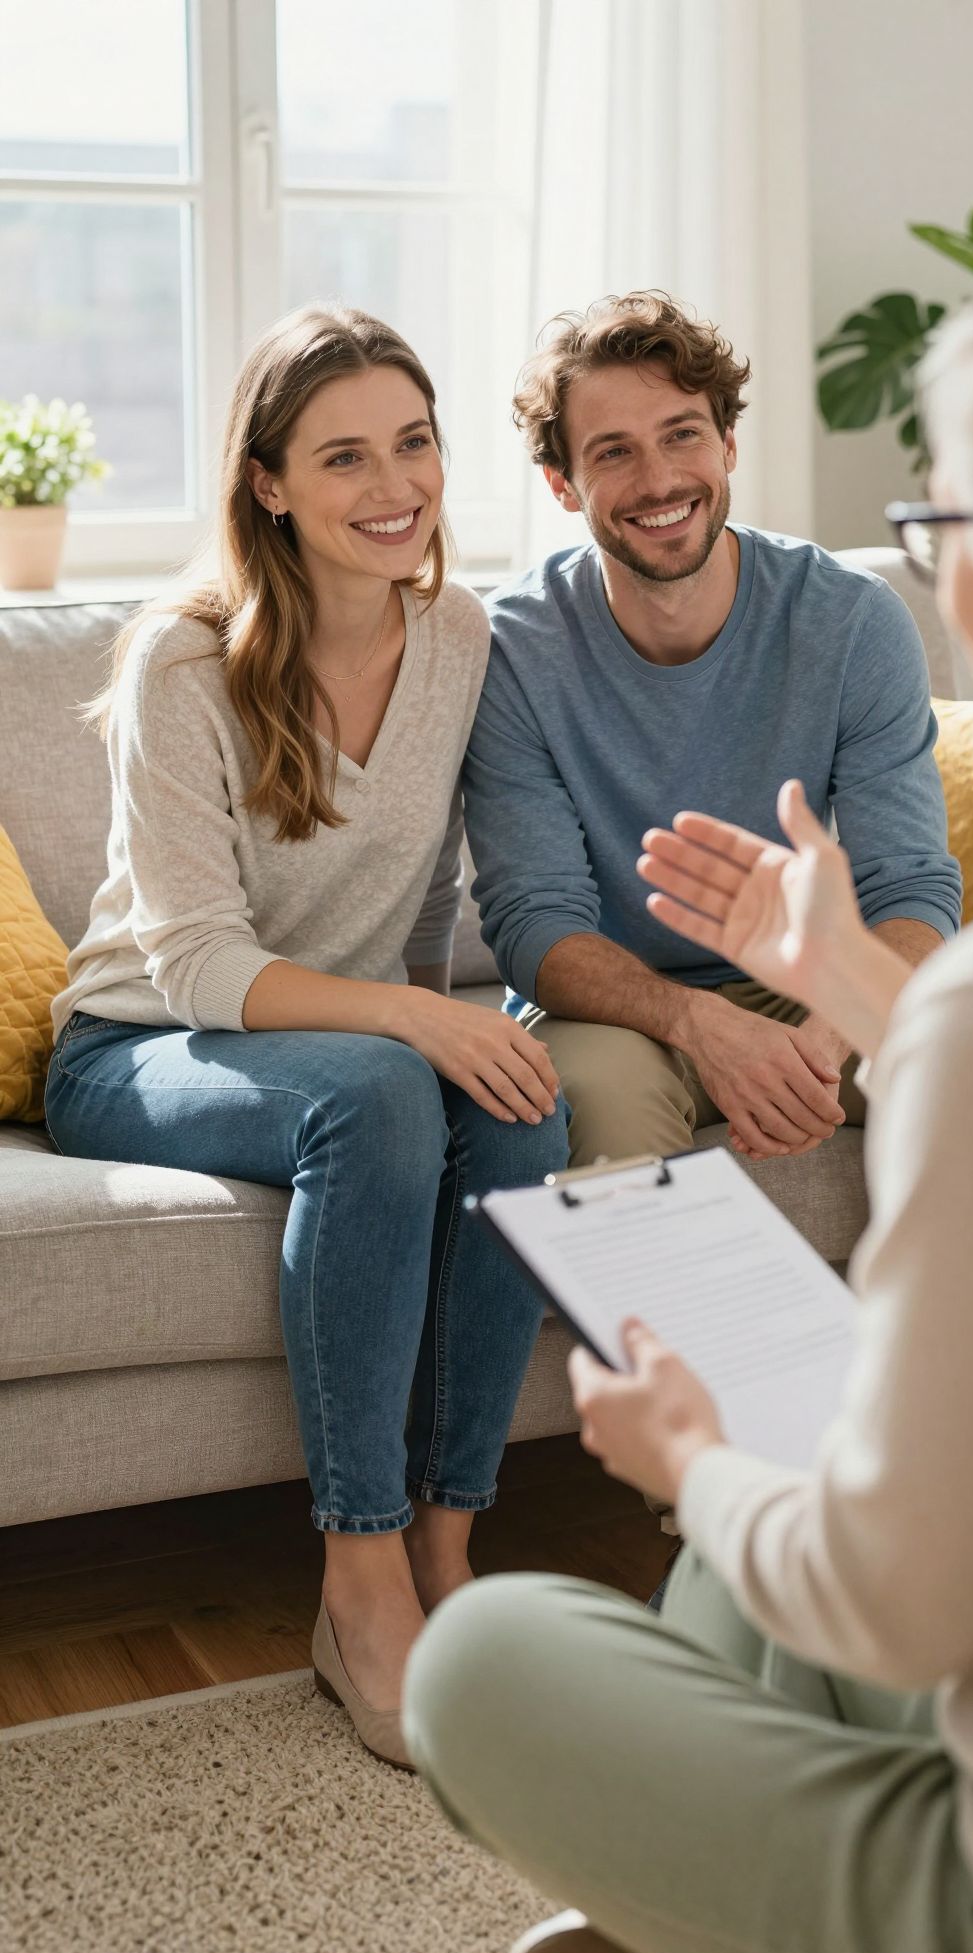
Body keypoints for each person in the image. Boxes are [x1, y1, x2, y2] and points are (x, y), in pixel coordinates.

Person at [403, 254, 973, 1953]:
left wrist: (697, 1451)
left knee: (489, 1655)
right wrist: (841, 997)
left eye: (940, 527)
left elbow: (900, 1600)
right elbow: (543, 923)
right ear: (565, 480)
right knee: (753, 1581)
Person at [44, 305, 567, 1769]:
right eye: (344, 457)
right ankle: (359, 1578)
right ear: (268, 482)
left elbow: (421, 901)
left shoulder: (459, 635)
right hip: (140, 1046)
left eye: (414, 443)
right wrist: (411, 1021)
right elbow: (196, 960)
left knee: (521, 1098)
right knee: (389, 1092)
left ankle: (450, 1542)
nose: (394, 485)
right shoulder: (181, 664)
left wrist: (450, 1027)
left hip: (335, 1048)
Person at [462, 291, 961, 1170]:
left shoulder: (851, 621)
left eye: (682, 434)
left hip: (814, 987)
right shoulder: (514, 650)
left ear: (728, 443)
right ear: (562, 484)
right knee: (599, 1102)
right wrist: (699, 1023)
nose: (659, 480)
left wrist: (824, 1041)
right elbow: (536, 924)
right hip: (614, 1015)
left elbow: (911, 888)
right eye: (613, 452)